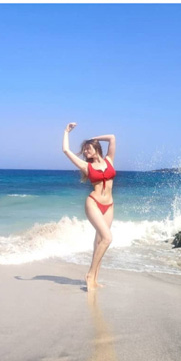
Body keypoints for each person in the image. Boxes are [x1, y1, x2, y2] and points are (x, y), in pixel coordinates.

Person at [61, 122, 116, 289]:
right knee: (107, 238)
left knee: (99, 241)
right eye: (84, 150)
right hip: (93, 203)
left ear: (95, 147)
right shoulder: (86, 166)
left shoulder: (109, 160)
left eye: (87, 148)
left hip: (110, 205)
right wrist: (66, 131)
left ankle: (94, 280)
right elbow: (66, 150)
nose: (85, 152)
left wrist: (93, 137)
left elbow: (112, 138)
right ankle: (90, 274)